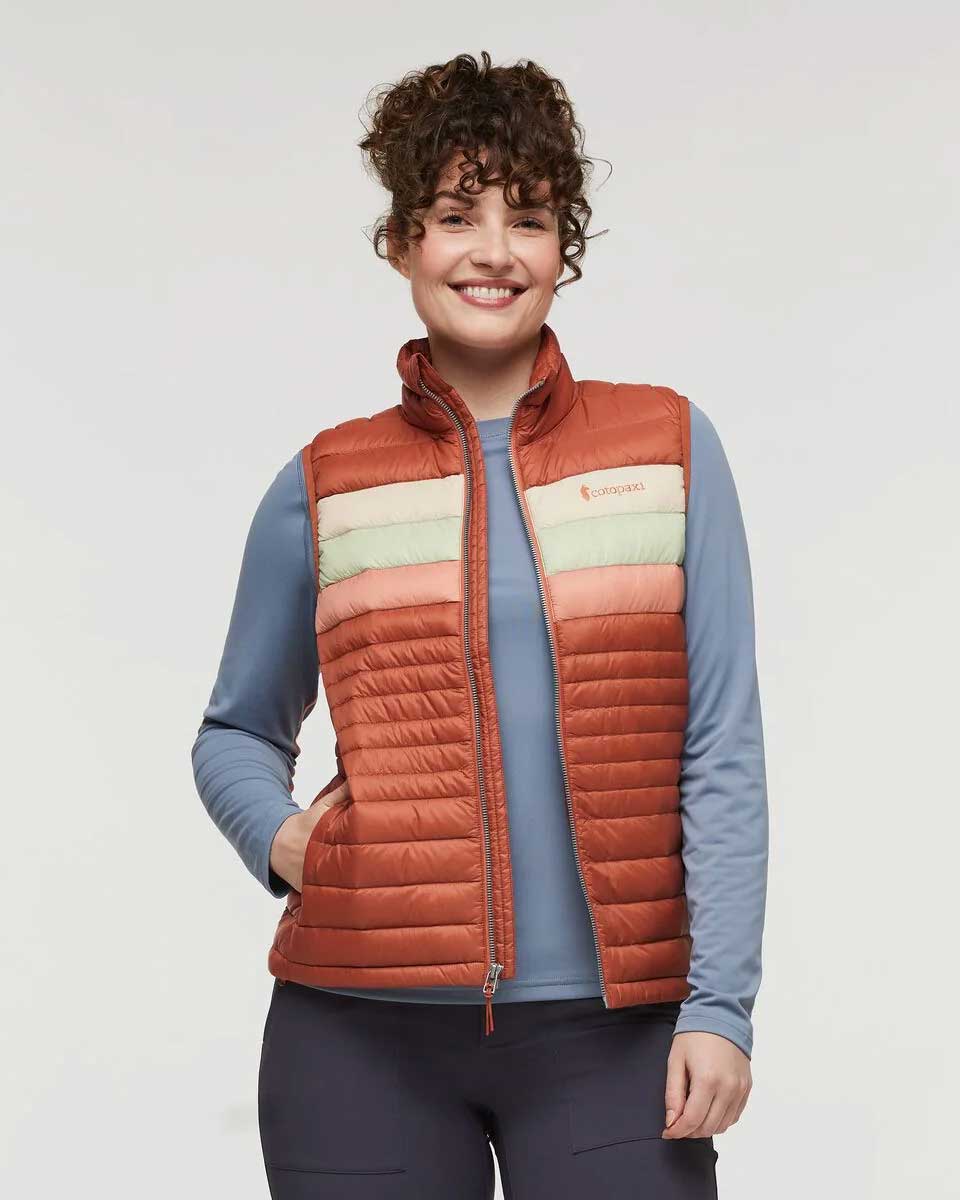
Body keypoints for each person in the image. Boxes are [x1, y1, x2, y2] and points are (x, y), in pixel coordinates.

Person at [191, 50, 768, 1199]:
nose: (494, 251)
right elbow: (235, 730)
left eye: (530, 218)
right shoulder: (325, 483)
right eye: (458, 215)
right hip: (355, 1034)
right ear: (404, 241)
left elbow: (721, 746)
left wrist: (721, 1007)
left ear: (563, 249)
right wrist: (285, 841)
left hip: (615, 1033)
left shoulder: (669, 450)